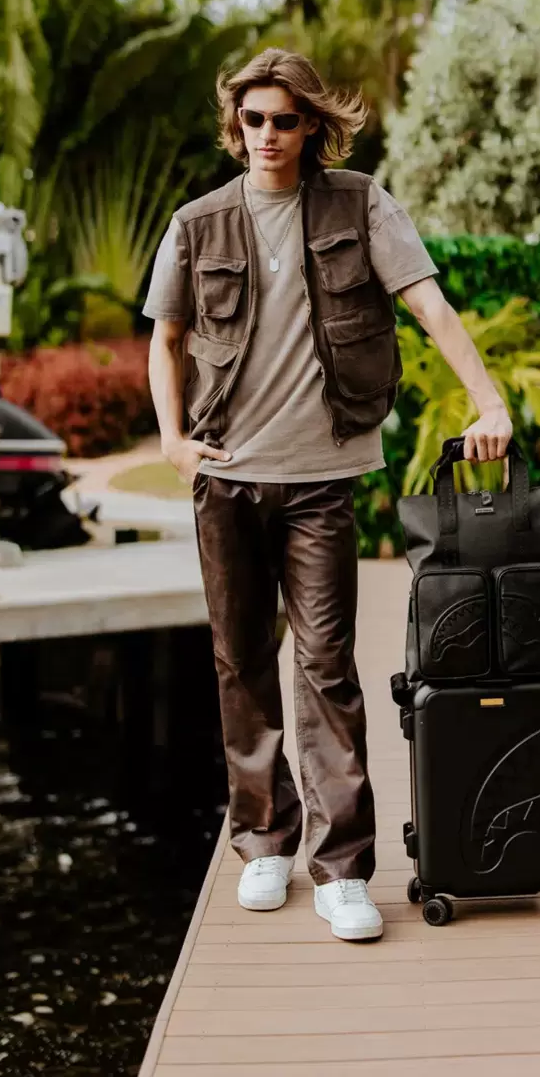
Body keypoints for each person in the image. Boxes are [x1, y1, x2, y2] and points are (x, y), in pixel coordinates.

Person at [143, 48, 512, 942]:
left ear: (312, 126)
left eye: (285, 119)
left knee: (326, 665)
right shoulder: (197, 224)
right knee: (240, 661)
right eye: (254, 120)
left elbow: (428, 305)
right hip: (227, 477)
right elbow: (166, 339)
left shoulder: (360, 204)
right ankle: (264, 840)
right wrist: (173, 441)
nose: (267, 135)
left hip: (321, 482)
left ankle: (343, 868)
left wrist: (490, 400)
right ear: (237, 127)